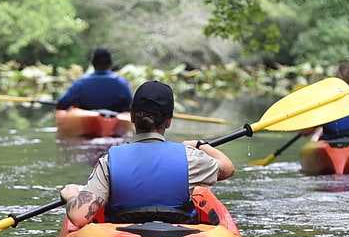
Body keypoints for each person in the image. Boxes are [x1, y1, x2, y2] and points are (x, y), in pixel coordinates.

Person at [60, 80, 234, 226]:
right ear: (168, 122)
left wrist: (72, 195)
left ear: (132, 117)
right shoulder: (189, 157)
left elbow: (78, 217)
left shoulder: (110, 161)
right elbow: (228, 168)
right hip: (179, 235)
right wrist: (200, 144)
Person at [54, 48, 133, 112]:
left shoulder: (81, 83)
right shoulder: (121, 83)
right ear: (110, 64)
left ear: (93, 64)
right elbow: (132, 105)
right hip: (115, 121)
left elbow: (61, 104)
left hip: (87, 122)